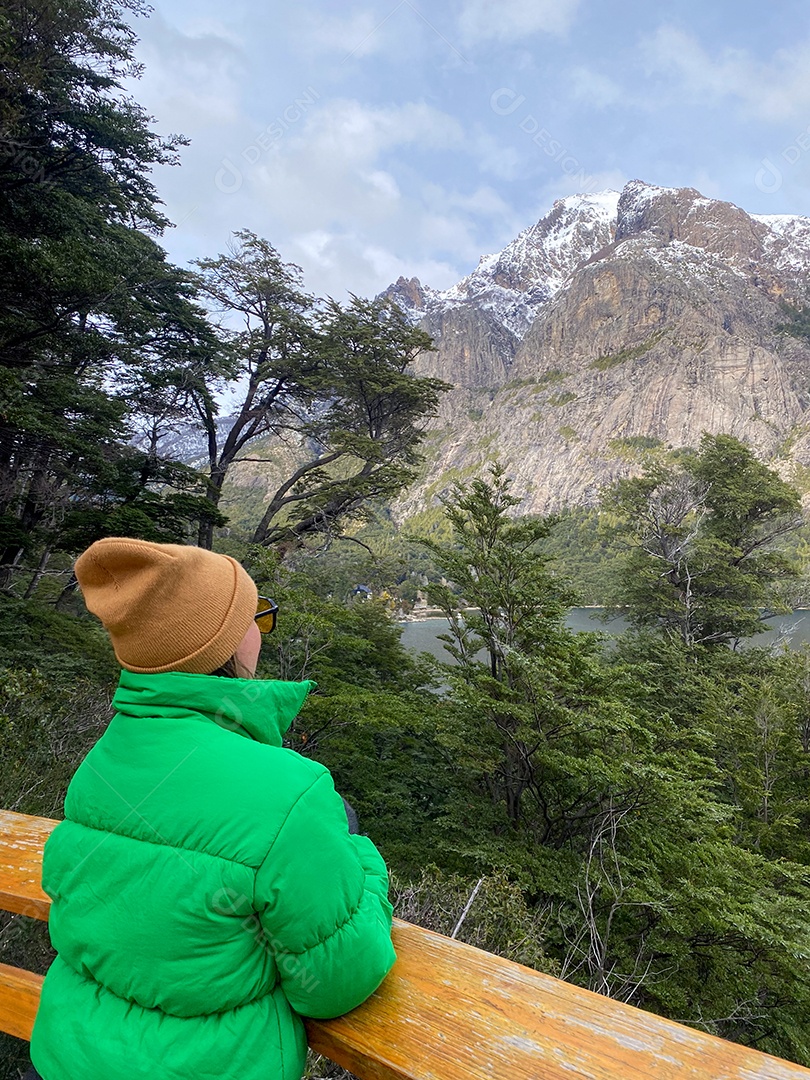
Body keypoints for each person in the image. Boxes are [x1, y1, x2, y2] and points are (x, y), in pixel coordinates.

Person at [28, 537, 396, 1080]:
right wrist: (360, 857)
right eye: (255, 617)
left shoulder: (103, 760)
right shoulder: (290, 789)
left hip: (64, 1057)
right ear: (220, 642)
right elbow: (336, 981)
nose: (259, 633)